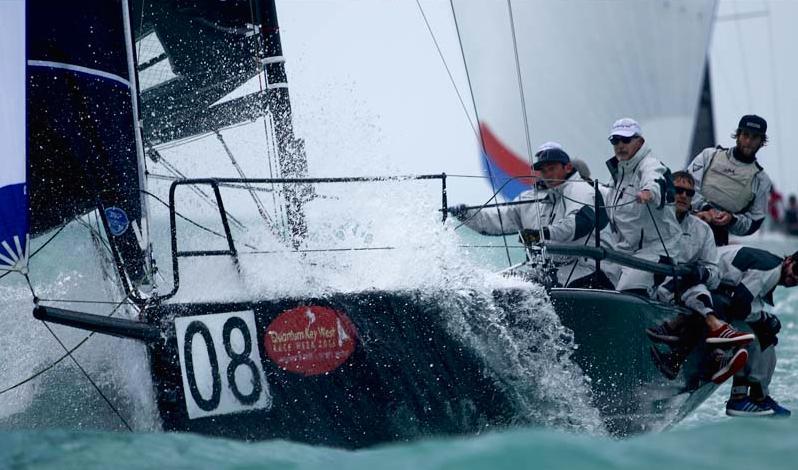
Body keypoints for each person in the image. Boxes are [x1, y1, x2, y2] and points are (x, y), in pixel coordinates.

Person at [645, 171, 754, 383]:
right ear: (668, 191)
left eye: (689, 192)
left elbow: (713, 275)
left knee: (711, 293)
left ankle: (683, 354)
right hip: (653, 288)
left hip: (686, 295)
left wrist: (700, 272)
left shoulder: (703, 230)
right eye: (678, 190)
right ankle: (717, 348)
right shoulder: (650, 218)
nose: (684, 196)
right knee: (702, 294)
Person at [449, 145, 609, 287]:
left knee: (524, 289)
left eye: (551, 168)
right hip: (549, 271)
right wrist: (467, 214)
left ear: (567, 168)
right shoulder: (542, 196)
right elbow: (499, 221)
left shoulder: (579, 189)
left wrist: (540, 234)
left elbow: (578, 223)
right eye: (543, 170)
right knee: (502, 285)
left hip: (583, 271)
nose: (547, 174)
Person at [713, 245, 797, 417]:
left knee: (765, 335)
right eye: (797, 269)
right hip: (706, 292)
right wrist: (763, 319)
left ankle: (756, 397)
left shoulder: (772, 265)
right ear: (788, 260)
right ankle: (742, 399)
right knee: (757, 336)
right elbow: (739, 304)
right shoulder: (770, 270)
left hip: (715, 291)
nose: (795, 278)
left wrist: (763, 320)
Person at [603, 118, 682, 295]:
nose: (620, 145)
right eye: (615, 141)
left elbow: (656, 180)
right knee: (596, 284)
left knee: (627, 293)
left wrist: (648, 192)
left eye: (626, 140)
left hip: (655, 253)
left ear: (640, 142)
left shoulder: (650, 165)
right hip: (623, 253)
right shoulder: (618, 174)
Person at [687, 115, 773, 246]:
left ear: (762, 142)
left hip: (717, 238)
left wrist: (731, 220)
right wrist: (706, 208)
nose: (749, 141)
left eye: (755, 137)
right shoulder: (709, 155)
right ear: (738, 135)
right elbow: (686, 187)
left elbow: (753, 223)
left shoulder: (761, 180)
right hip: (688, 222)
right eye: (745, 134)